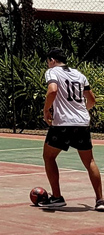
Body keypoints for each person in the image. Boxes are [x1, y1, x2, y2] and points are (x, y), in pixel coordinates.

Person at [39, 47, 104, 210]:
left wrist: (46, 110)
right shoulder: (79, 74)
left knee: (49, 157)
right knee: (89, 161)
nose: (48, 65)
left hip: (62, 123)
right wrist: (80, 112)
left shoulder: (52, 72)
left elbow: (52, 90)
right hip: (82, 122)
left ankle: (57, 197)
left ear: (52, 60)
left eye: (48, 62)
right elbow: (92, 100)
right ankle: (100, 200)